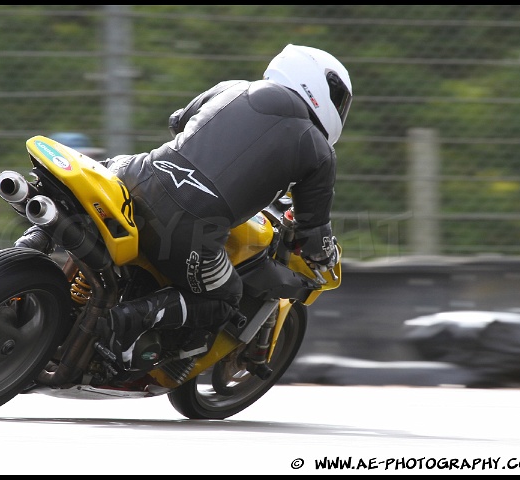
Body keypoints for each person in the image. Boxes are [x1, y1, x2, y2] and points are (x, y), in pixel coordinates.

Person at [97, 44, 353, 371]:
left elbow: (179, 121)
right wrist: (324, 256)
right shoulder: (318, 150)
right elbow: (313, 230)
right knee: (224, 297)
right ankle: (129, 319)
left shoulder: (232, 88)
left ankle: (35, 245)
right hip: (190, 226)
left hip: (136, 175)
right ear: (319, 87)